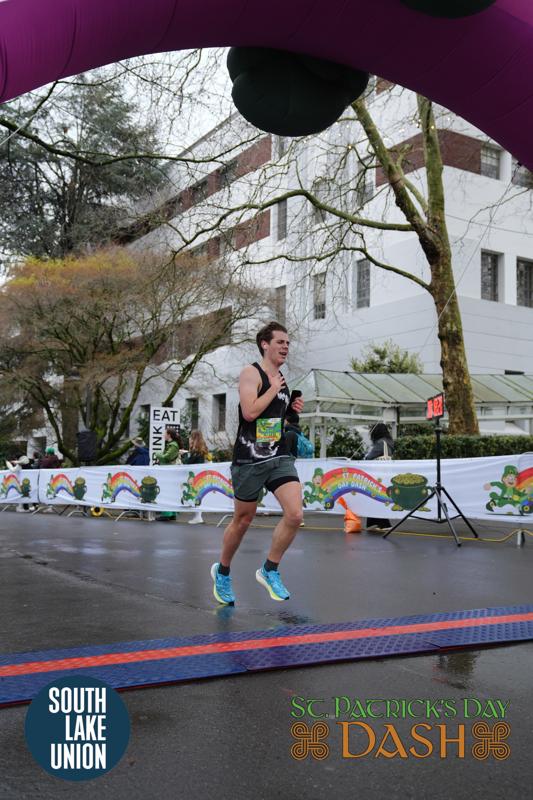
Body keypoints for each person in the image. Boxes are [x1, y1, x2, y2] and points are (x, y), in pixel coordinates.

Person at [211, 321, 304, 605]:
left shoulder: (282, 380)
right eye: (280, 342)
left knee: (295, 514)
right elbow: (250, 413)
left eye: (288, 343)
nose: (285, 347)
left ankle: (269, 570)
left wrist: (291, 411)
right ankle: (222, 572)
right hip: (249, 458)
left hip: (278, 455)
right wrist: (273, 389)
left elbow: (272, 419)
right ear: (265, 344)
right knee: (243, 520)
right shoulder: (251, 373)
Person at [364, 422, 394, 531]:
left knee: (375, 497)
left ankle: (384, 524)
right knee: (376, 497)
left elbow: (369, 458)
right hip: (385, 474)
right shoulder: (389, 443)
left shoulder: (380, 443)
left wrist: (365, 457)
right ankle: (373, 523)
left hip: (377, 475)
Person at [154, 428, 182, 521]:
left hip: (169, 472)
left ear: (169, 435)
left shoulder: (173, 445)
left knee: (166, 491)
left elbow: (166, 458)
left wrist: (157, 454)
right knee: (170, 492)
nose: (163, 435)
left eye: (165, 433)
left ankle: (167, 514)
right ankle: (172, 514)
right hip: (170, 471)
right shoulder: (172, 445)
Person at [182, 430, 209, 525]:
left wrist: (183, 455)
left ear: (194, 438)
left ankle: (198, 517)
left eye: (191, 437)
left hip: (196, 476)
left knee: (196, 496)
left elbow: (188, 462)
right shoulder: (202, 448)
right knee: (198, 495)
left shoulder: (196, 451)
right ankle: (198, 517)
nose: (189, 439)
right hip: (201, 475)